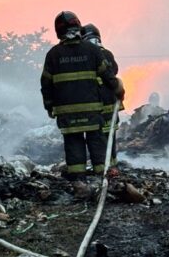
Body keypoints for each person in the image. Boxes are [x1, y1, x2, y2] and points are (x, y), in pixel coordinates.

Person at [41, 11, 124, 182]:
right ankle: (102, 177)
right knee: (97, 142)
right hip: (93, 111)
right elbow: (108, 76)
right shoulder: (93, 51)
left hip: (67, 114)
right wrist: (118, 89)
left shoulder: (53, 55)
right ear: (78, 27)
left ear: (58, 31)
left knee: (73, 144)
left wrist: (49, 105)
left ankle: (79, 181)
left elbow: (46, 84)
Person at [81, 23, 124, 167]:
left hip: (95, 105)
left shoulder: (86, 56)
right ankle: (112, 166)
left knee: (96, 138)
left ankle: (101, 167)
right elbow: (114, 72)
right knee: (110, 136)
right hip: (110, 105)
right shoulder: (107, 54)